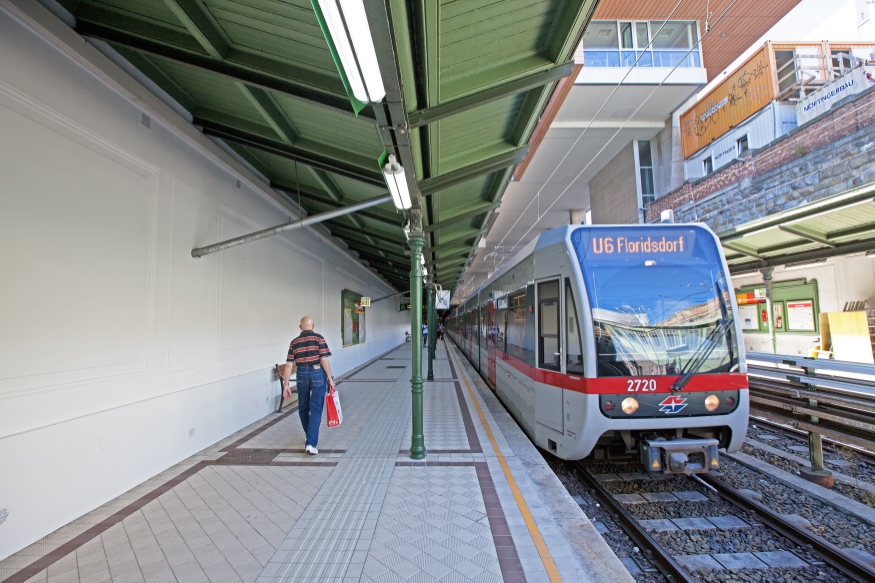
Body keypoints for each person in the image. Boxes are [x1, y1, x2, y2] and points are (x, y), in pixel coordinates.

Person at [282, 316, 334, 455]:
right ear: (313, 326)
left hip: (301, 374)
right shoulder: (319, 338)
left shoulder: (294, 342)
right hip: (317, 373)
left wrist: (286, 385)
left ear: (300, 327)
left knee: (303, 407)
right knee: (316, 408)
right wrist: (330, 379)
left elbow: (288, 365)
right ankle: (311, 443)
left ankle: (309, 436)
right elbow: (324, 360)